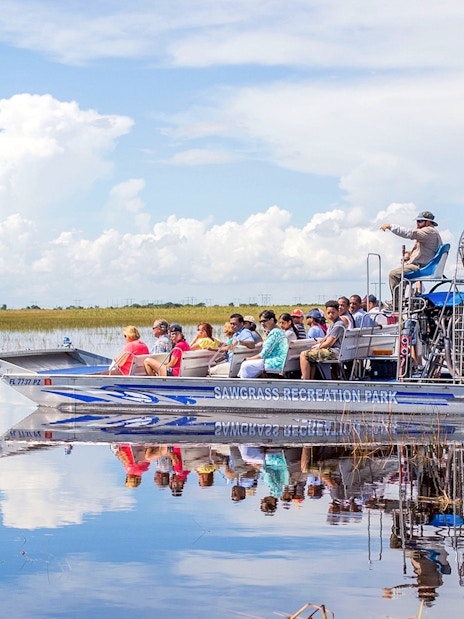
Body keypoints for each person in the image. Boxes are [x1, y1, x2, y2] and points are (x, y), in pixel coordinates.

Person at [380, 211, 443, 309]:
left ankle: (396, 305)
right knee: (402, 278)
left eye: (420, 221)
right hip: (424, 265)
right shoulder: (432, 233)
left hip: (421, 266)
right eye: (417, 221)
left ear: (428, 222)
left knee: (393, 274)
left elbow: (409, 233)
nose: (417, 223)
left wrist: (390, 226)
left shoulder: (428, 231)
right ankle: (401, 300)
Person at [299, 300, 346, 380]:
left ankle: (306, 381)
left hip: (335, 352)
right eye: (328, 313)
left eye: (333, 312)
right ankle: (311, 379)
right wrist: (319, 341)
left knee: (304, 355)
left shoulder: (338, 325)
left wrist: (317, 347)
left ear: (338, 311)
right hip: (336, 351)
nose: (330, 315)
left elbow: (329, 343)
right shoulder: (333, 324)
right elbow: (327, 337)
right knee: (311, 355)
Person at [238, 309, 289, 378]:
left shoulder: (275, 333)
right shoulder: (279, 331)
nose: (262, 323)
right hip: (279, 361)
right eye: (260, 321)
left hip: (275, 363)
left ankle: (244, 386)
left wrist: (249, 358)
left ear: (271, 320)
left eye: (264, 321)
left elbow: (263, 354)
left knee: (246, 365)